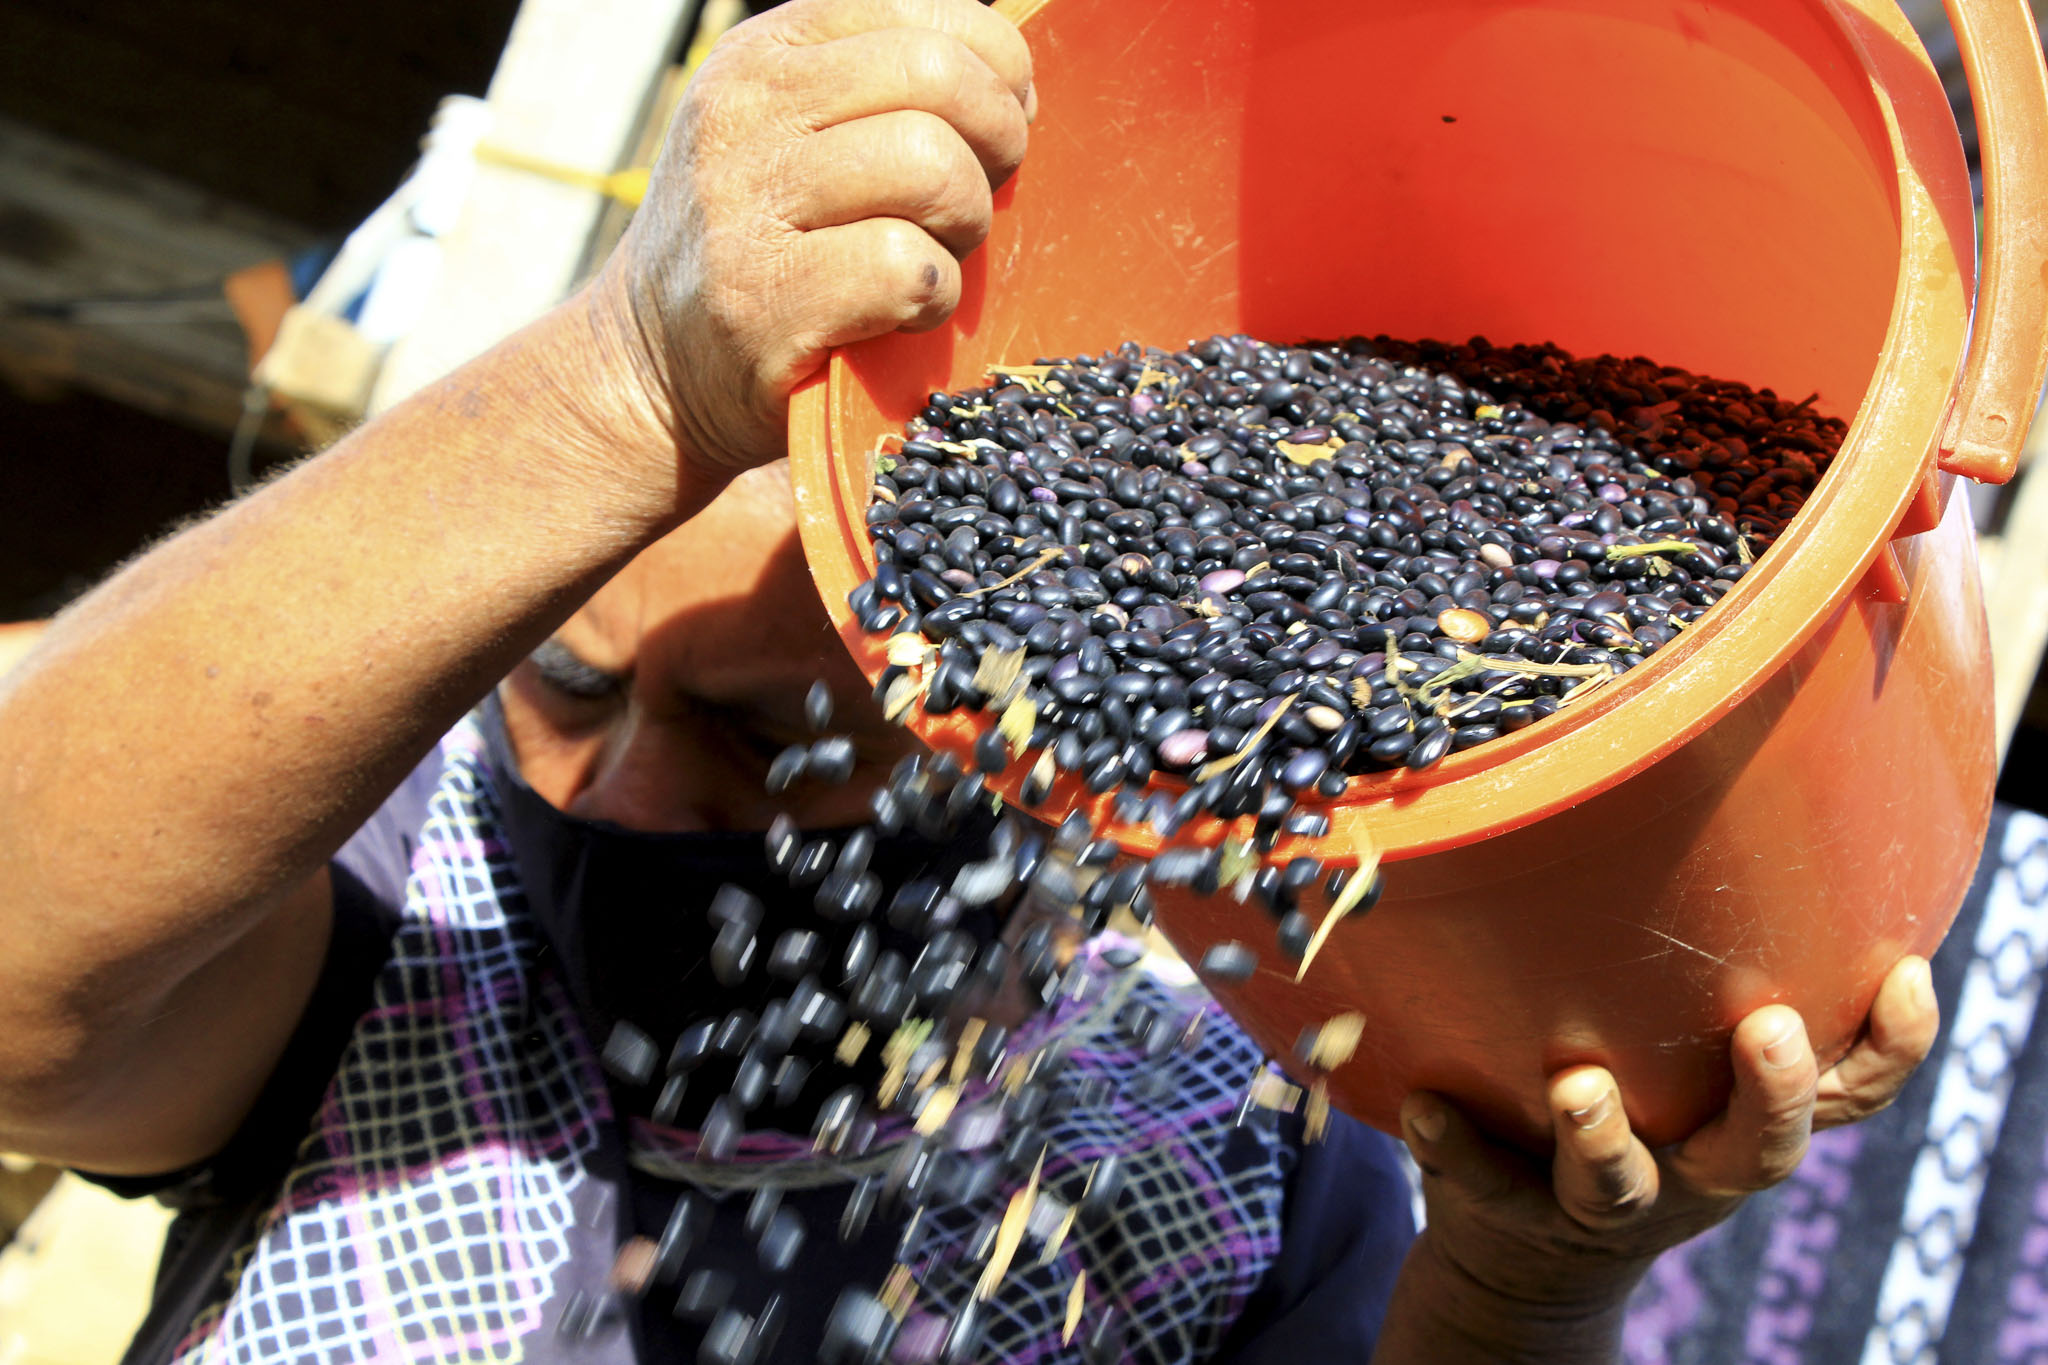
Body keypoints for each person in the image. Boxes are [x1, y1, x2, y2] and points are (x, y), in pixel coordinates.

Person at [0, 1, 1937, 1361]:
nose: (633, 801)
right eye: (570, 690)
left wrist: (1521, 1298)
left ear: (1029, 748)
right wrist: (628, 379)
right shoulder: (416, 916)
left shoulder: (1219, 1137)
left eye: (770, 742)